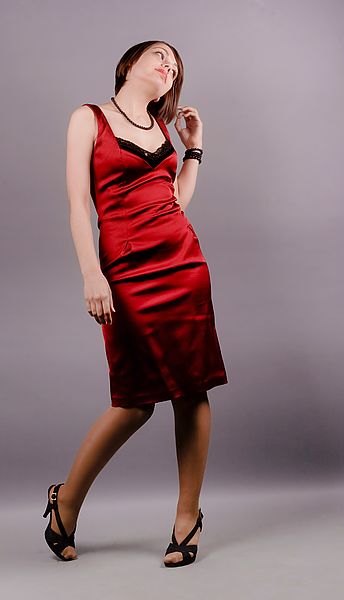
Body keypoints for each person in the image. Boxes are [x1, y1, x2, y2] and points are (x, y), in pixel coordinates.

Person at [42, 40, 228, 567]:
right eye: (159, 56)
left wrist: (193, 147)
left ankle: (187, 518)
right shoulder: (88, 118)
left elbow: (174, 201)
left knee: (193, 388)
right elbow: (79, 204)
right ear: (130, 64)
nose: (169, 65)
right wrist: (90, 273)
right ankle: (67, 500)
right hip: (122, 269)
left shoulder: (163, 130)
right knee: (134, 399)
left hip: (183, 262)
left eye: (176, 65)